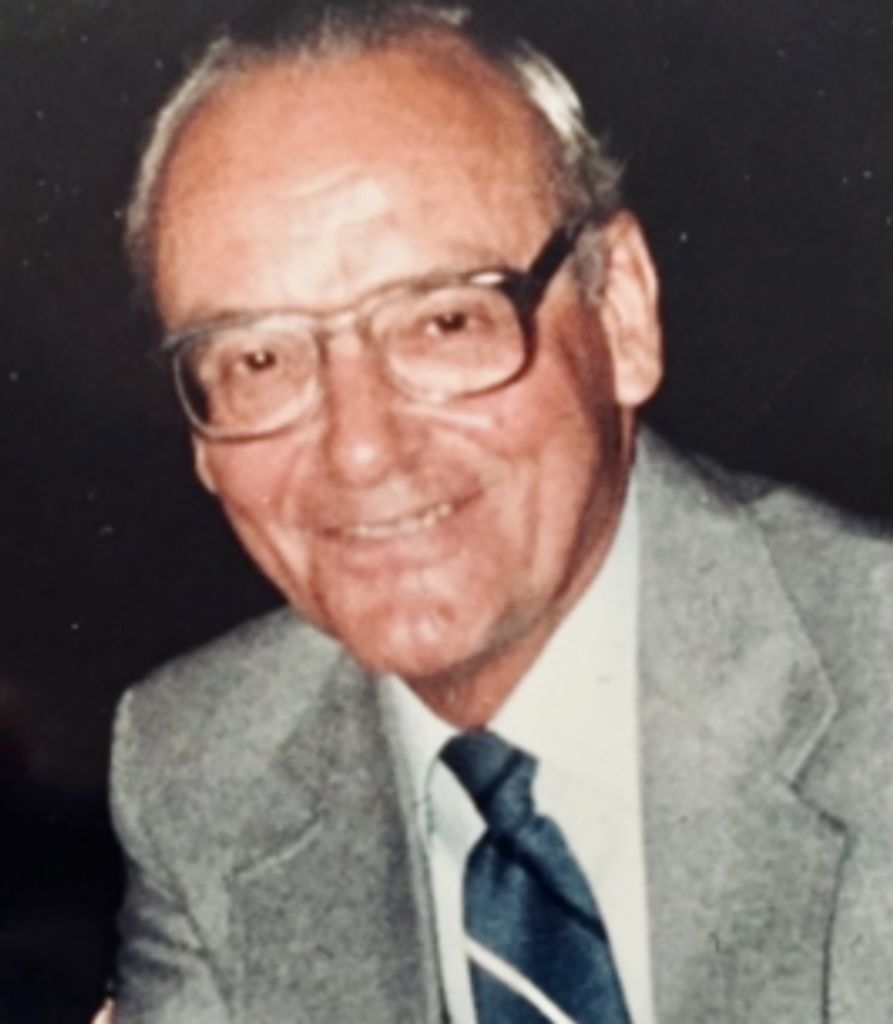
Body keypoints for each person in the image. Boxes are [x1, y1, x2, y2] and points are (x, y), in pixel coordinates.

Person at [110, 2, 893, 1021]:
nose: (360, 447)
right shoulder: (200, 767)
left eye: (444, 321)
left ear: (620, 315)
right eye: (258, 359)